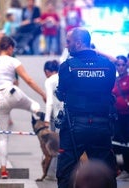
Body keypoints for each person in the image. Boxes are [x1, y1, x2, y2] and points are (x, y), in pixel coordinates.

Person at [55, 27, 117, 188]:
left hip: (74, 125)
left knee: (66, 172)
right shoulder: (108, 66)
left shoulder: (67, 66)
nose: (66, 46)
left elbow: (62, 93)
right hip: (102, 125)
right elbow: (109, 89)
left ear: (79, 42)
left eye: (68, 42)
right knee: (106, 171)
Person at [0, 36, 46, 178]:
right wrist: (43, 94)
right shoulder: (13, 60)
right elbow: (28, 80)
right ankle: (42, 124)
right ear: (10, 47)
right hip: (12, 93)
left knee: (3, 136)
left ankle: (3, 169)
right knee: (35, 106)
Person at [112, 55, 129, 180]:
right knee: (120, 143)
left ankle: (127, 169)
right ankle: (123, 169)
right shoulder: (114, 80)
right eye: (118, 64)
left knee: (127, 142)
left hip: (127, 116)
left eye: (123, 64)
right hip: (117, 116)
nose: (120, 67)